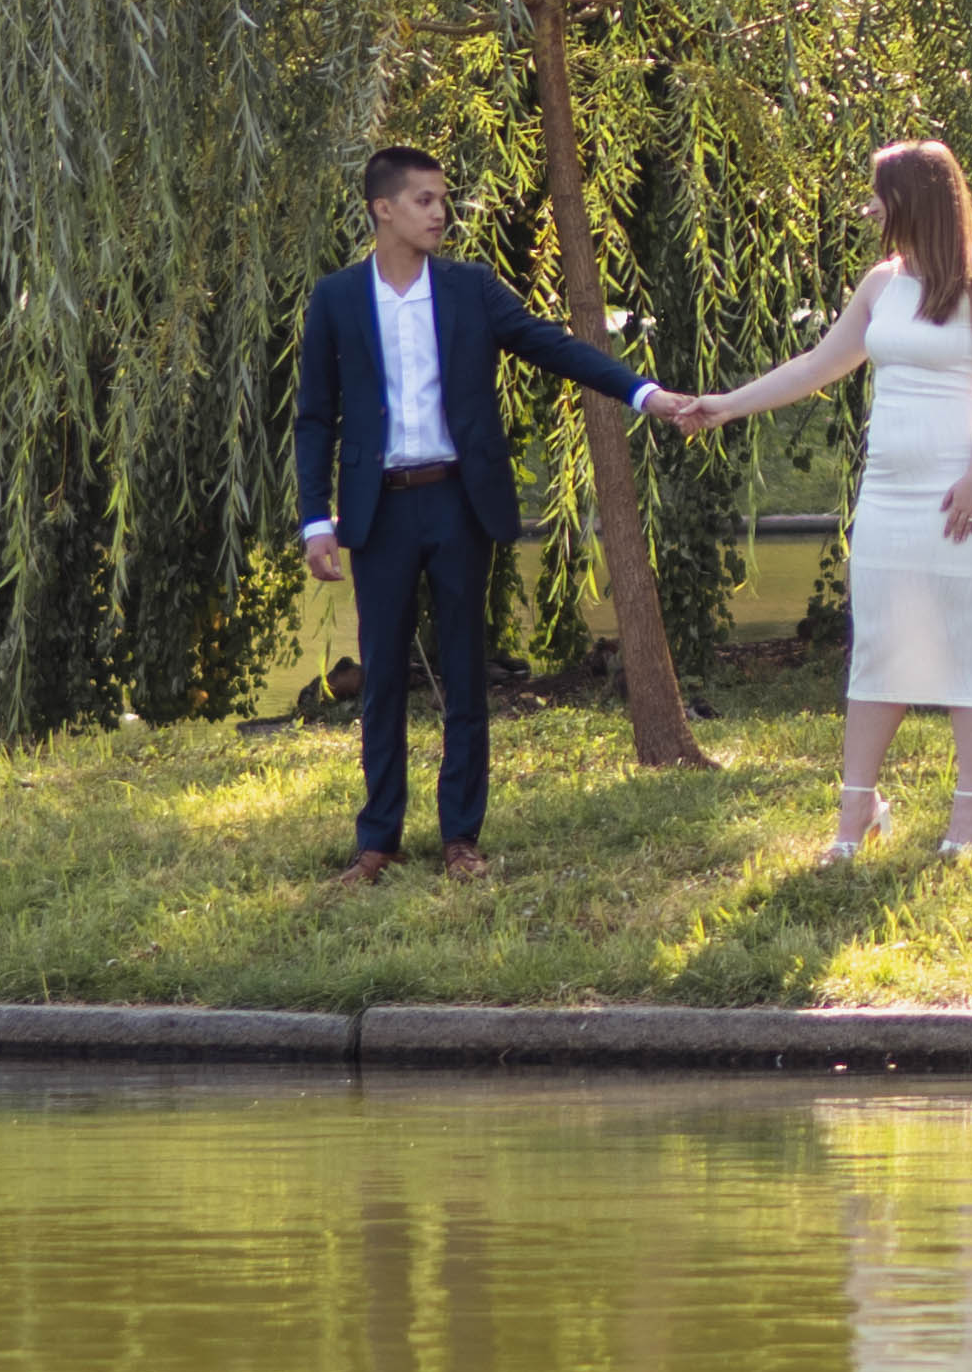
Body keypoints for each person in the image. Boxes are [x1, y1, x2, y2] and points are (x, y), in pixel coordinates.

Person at [291, 141, 685, 880]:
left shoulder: (472, 289)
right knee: (380, 679)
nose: (442, 212)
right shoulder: (337, 299)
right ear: (383, 208)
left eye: (444, 199)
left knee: (465, 674)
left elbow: (553, 346)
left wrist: (644, 394)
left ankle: (460, 839)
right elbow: (314, 416)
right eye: (425, 200)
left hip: (458, 504)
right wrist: (317, 519)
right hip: (377, 512)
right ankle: (377, 840)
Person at [672, 140, 972, 863]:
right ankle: (856, 811)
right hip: (891, 492)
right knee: (879, 646)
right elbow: (818, 363)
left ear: (915, 201)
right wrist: (725, 406)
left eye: (878, 195)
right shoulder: (881, 284)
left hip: (966, 484)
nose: (869, 208)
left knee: (964, 640)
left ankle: (970, 809)